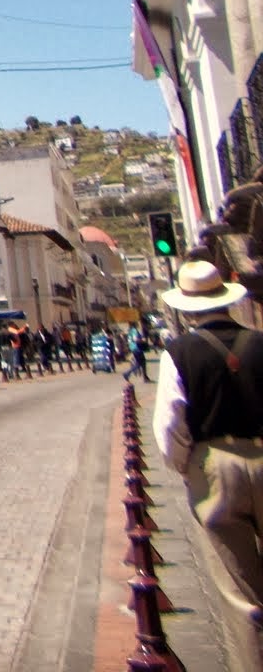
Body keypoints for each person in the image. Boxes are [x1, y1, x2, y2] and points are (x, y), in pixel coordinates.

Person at [152, 259, 263, 662]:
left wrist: (188, 465)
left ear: (187, 307)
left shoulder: (178, 352)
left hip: (215, 465)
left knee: (239, 594)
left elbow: (171, 424)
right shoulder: (260, 342)